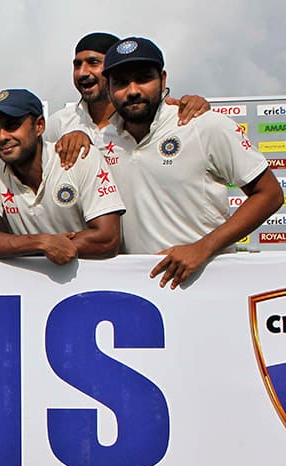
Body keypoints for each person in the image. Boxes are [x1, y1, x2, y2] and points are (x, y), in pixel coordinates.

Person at [100, 36, 284, 288]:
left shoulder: (204, 125)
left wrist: (202, 248)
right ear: (108, 89)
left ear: (163, 80)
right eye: (120, 83)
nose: (133, 91)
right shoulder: (102, 141)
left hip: (207, 281)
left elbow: (270, 195)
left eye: (143, 78)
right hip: (139, 288)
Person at [0, 89, 124, 263]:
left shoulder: (80, 158)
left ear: (39, 126)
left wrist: (46, 245)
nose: (2, 137)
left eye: (12, 125)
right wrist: (41, 243)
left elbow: (107, 239)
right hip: (34, 285)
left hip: (91, 281)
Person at [46, 32, 210, 166]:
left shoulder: (147, 118)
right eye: (77, 65)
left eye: (93, 62)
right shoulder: (59, 123)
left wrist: (196, 108)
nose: (82, 73)